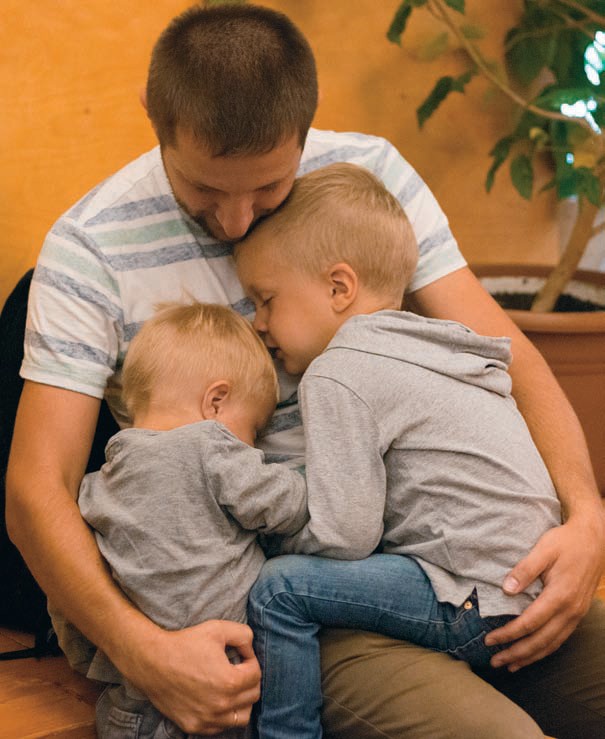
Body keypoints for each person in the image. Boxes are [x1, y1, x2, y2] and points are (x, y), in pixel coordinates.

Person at [5, 4, 604, 738]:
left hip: (455, 558)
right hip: (289, 600)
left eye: (268, 188)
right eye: (204, 190)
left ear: (306, 129)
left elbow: (506, 355)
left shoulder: (367, 177)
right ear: (154, 116)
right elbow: (36, 489)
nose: (236, 220)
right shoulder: (89, 247)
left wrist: (586, 518)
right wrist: (144, 652)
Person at [233, 162, 562, 738]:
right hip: (534, 589)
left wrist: (274, 536)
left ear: (339, 288)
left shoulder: (339, 370)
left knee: (279, 589)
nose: (258, 324)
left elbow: (346, 535)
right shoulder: (438, 347)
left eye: (266, 300)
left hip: (469, 599)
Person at [74, 301, 307, 738]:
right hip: (221, 681)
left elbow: (69, 598)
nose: (254, 447)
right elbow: (286, 508)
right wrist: (307, 486)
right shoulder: (210, 447)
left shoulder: (94, 487)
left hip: (131, 704)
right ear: (216, 402)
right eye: (253, 431)